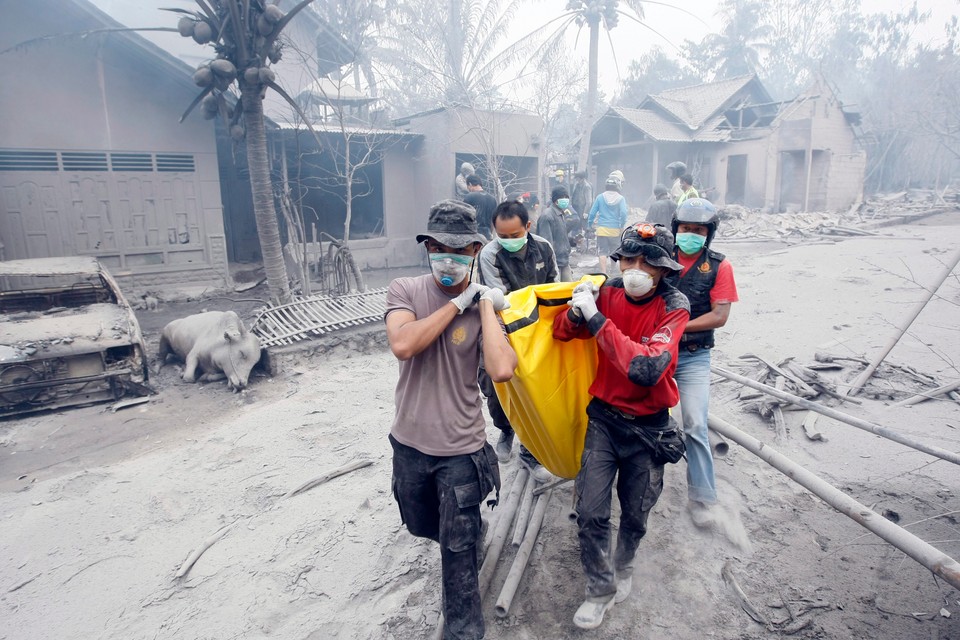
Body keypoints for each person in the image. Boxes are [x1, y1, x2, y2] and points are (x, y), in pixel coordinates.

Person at [385, 199, 516, 640]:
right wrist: (455, 303)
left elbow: (500, 369)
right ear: (426, 246)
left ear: (475, 251)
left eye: (459, 251)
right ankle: (473, 530)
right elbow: (404, 345)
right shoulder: (405, 290)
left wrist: (482, 308)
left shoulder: (484, 307)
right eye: (439, 248)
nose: (448, 258)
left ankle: (463, 631)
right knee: (422, 524)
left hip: (461, 450)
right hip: (409, 444)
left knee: (457, 559)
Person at [553, 222, 690, 630]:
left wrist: (596, 321)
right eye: (628, 259)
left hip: (649, 430)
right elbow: (562, 333)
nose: (634, 268)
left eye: (646, 263)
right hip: (605, 420)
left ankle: (624, 566)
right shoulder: (607, 291)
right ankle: (599, 590)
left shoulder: (674, 305)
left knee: (635, 514)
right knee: (591, 511)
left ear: (664, 269)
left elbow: (646, 368)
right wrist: (578, 310)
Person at [669, 198, 739, 527]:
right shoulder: (661, 256)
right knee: (642, 417)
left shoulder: (719, 266)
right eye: (685, 229)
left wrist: (677, 327)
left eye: (698, 230)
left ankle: (702, 496)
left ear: (708, 234)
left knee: (695, 423)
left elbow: (720, 315)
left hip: (694, 355)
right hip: (656, 352)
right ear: (675, 229)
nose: (690, 235)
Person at [478, 200, 558, 481]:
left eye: (515, 235)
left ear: (528, 227)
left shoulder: (544, 248)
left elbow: (552, 285)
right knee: (495, 386)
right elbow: (502, 299)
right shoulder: (489, 255)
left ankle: (531, 449)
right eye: (502, 236)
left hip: (537, 325)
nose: (509, 241)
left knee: (536, 388)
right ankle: (505, 430)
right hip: (501, 325)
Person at [587, 174, 629, 276]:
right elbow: (623, 213)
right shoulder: (621, 199)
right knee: (614, 251)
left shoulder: (600, 197)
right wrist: (621, 224)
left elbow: (592, 212)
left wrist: (589, 224)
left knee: (602, 251)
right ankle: (613, 269)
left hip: (601, 229)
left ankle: (604, 272)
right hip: (615, 230)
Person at [536, 186, 578, 281]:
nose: (565, 200)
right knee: (556, 291)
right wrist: (550, 263)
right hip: (554, 263)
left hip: (564, 260)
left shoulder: (561, 214)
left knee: (568, 290)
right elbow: (545, 243)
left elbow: (560, 236)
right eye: (562, 197)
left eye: (566, 197)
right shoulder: (547, 216)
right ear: (555, 199)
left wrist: (572, 241)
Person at [463, 174, 498, 240]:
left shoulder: (469, 197)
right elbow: (493, 221)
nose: (468, 189)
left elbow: (464, 218)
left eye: (468, 187)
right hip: (487, 236)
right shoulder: (493, 199)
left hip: (473, 237)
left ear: (470, 184)